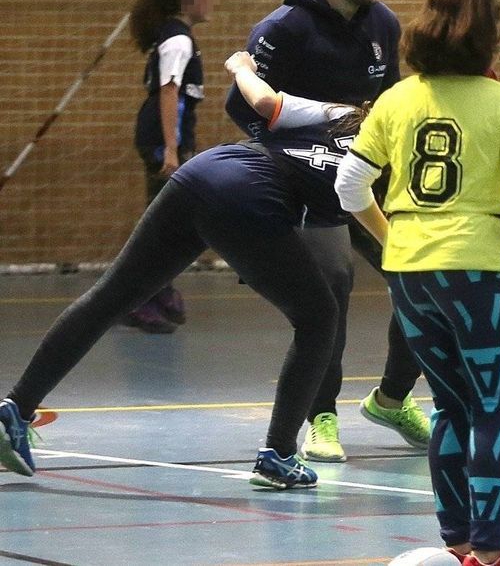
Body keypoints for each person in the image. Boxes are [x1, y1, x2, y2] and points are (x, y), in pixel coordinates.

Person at [0, 51, 363, 489]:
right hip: (250, 196)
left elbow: (266, 103)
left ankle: (15, 409)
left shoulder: (343, 114)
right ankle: (278, 455)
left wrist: (240, 68)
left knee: (112, 295)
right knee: (319, 318)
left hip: (208, 170)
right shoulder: (392, 155)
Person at [336, 0, 500, 566]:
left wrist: (393, 235)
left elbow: (347, 186)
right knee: (494, 407)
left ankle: (458, 541)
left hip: (408, 276)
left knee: (452, 407)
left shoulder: (397, 99)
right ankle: (490, 547)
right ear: (490, 38)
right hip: (474, 273)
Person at [226, 0, 429, 463]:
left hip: (367, 178)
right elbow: (242, 108)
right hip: (309, 185)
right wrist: (300, 151)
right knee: (331, 288)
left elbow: (388, 104)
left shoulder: (383, 25)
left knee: (426, 279)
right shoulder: (281, 30)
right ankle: (321, 415)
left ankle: (391, 399)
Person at [125, 0, 214, 333]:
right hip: (163, 140)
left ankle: (158, 287)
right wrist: (172, 150)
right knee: (160, 226)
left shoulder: (178, 36)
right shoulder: (178, 40)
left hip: (167, 138)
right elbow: (169, 94)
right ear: (186, 0)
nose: (212, 1)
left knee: (170, 221)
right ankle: (135, 299)